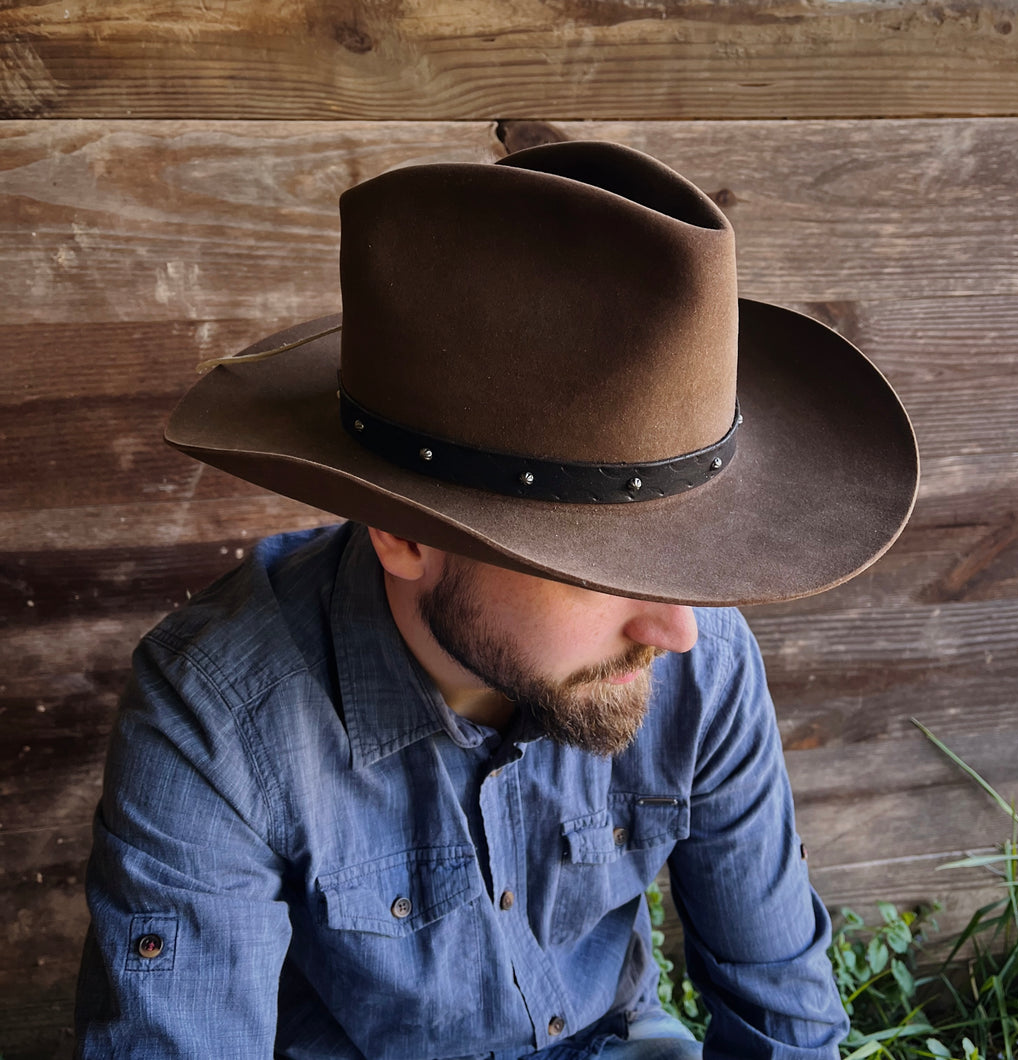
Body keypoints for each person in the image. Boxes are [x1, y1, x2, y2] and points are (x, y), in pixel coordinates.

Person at [74, 140, 919, 1059]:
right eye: (605, 569)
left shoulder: (696, 650)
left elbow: (784, 1024)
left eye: (685, 563)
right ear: (405, 537)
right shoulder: (217, 721)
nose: (678, 630)